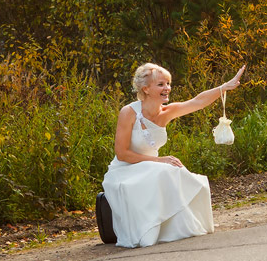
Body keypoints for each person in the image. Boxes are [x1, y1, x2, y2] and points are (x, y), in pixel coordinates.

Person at [102, 63, 245, 248]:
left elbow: (197, 102)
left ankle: (180, 229)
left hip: (152, 167)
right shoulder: (128, 112)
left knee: (178, 172)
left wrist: (223, 87)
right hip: (125, 170)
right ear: (146, 88)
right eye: (161, 84)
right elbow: (121, 154)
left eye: (168, 83)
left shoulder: (167, 112)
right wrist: (159, 160)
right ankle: (150, 233)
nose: (167, 88)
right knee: (165, 170)